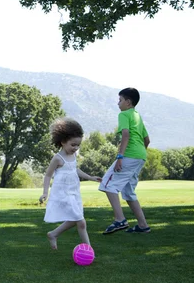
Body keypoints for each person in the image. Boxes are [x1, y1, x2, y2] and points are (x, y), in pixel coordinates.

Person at [40, 118, 102, 250]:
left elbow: (75, 170)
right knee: (81, 221)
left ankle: (53, 234)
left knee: (76, 219)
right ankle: (89, 250)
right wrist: (45, 192)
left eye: (78, 145)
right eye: (73, 145)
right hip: (63, 194)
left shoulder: (73, 156)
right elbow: (48, 175)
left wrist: (90, 177)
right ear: (63, 142)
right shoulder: (58, 158)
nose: (76, 148)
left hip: (74, 193)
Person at [99, 87, 151, 234]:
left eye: (120, 100)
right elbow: (147, 140)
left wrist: (120, 157)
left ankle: (119, 219)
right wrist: (139, 155)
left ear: (128, 102)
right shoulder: (137, 116)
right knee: (128, 192)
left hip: (129, 156)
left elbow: (126, 135)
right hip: (140, 156)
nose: (118, 103)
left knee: (107, 184)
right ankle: (143, 225)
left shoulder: (124, 114)